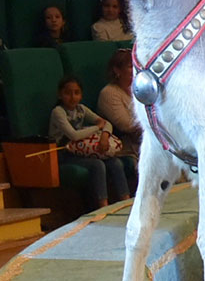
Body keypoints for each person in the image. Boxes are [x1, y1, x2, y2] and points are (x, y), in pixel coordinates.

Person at [50, 75, 130, 209]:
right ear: (60, 95)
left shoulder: (81, 109)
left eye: (76, 93)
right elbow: (74, 135)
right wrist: (97, 127)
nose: (72, 97)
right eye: (67, 93)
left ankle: (126, 201)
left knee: (115, 163)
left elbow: (106, 124)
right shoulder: (58, 112)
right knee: (98, 164)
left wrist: (104, 136)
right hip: (65, 154)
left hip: (82, 151)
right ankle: (103, 206)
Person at [97, 49, 143, 161]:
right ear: (117, 70)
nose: (136, 70)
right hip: (124, 146)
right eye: (130, 66)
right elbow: (127, 125)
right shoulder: (109, 93)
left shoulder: (140, 89)